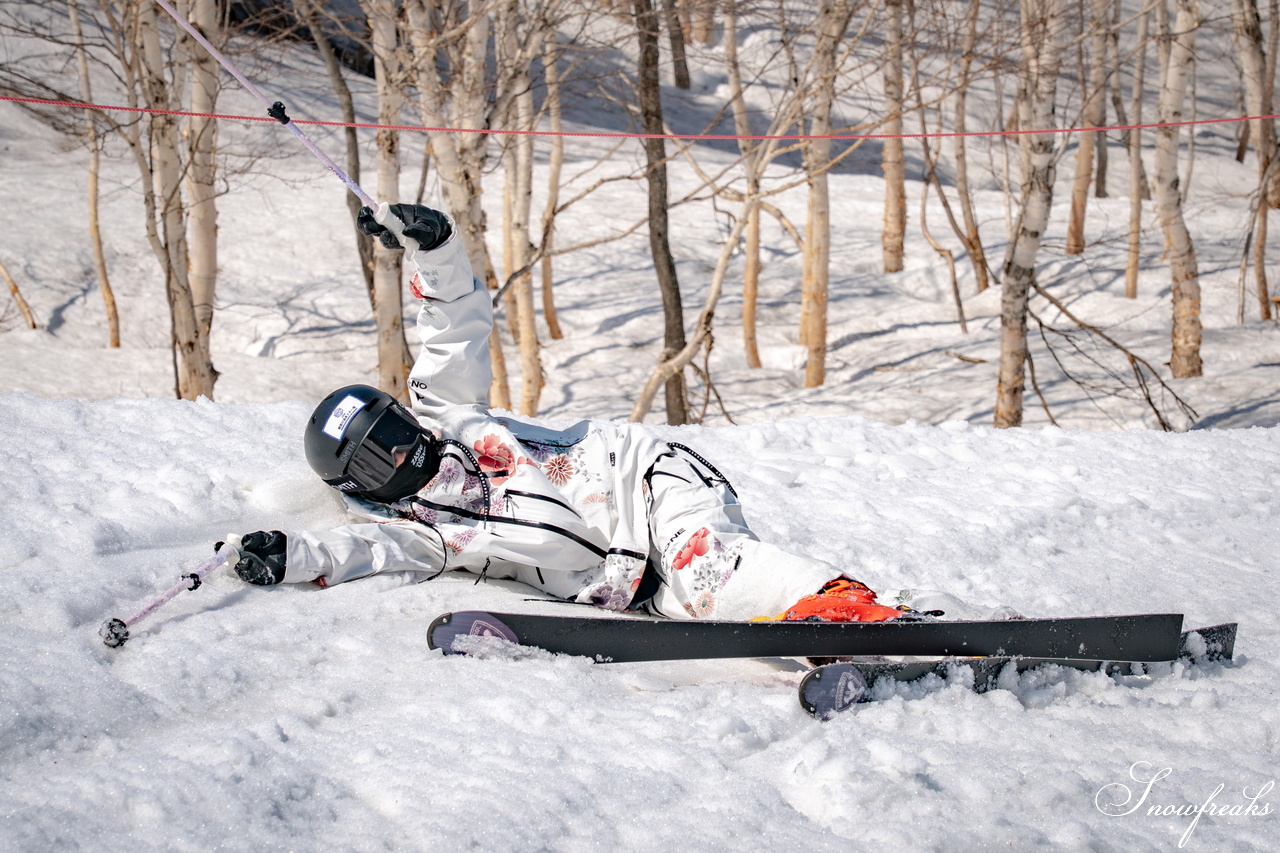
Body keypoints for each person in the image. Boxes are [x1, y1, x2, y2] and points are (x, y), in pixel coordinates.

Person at [219, 203, 919, 624]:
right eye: (380, 457)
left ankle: (840, 604)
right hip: (628, 578)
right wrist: (289, 557)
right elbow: (362, 552)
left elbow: (453, 325)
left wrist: (435, 247)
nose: (406, 455)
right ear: (361, 485)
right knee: (703, 602)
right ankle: (820, 630)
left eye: (397, 434)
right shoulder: (425, 534)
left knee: (712, 568)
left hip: (641, 484)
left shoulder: (452, 415)